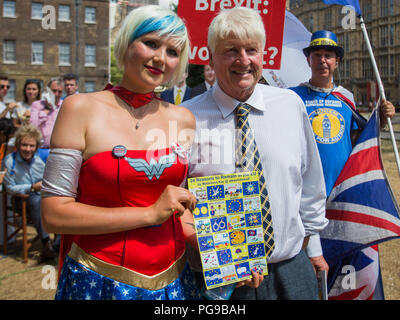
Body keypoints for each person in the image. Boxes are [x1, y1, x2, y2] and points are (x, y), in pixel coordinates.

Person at [40, 5, 202, 300]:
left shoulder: (184, 119)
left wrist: (219, 252)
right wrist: (149, 214)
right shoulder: (79, 108)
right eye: (151, 43)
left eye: (172, 51)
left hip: (175, 283)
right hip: (99, 280)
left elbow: (176, 209)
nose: (160, 58)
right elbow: (53, 214)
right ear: (127, 42)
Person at [182, 7, 328, 300]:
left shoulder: (290, 105)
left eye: (252, 49)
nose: (244, 60)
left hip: (291, 269)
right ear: (210, 57)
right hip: (222, 282)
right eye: (231, 51)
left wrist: (311, 246)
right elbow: (178, 198)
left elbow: (310, 182)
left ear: (264, 55)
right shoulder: (186, 116)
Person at [289, 30, 395, 294]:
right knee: (310, 265)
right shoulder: (293, 98)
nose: (322, 60)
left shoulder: (344, 98)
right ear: (309, 60)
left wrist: (381, 118)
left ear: (336, 62)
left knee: (342, 265)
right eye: (317, 55)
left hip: (342, 197)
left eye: (328, 56)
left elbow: (360, 137)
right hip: (305, 199)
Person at [3, 124, 57, 260]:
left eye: (31, 146)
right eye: (24, 145)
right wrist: (32, 187)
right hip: (21, 200)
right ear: (18, 144)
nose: (28, 149)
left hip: (46, 197)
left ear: (37, 146)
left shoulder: (43, 156)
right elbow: (10, 188)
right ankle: (46, 243)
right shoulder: (10, 161)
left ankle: (59, 241)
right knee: (35, 199)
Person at [30, 77, 63, 160]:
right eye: (54, 91)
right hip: (40, 149)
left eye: (60, 92)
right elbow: (33, 125)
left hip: (57, 150)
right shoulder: (37, 105)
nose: (56, 94)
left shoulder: (64, 105)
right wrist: (46, 110)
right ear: (48, 90)